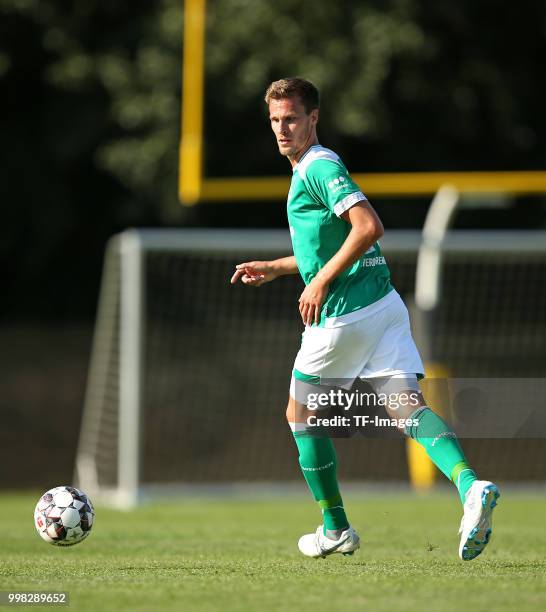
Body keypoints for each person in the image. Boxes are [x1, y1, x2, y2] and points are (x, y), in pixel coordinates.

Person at [230, 77, 499, 561]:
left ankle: (335, 528)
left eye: (291, 118)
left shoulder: (318, 165)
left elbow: (368, 226)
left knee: (301, 416)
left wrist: (319, 283)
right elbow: (335, 246)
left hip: (344, 316)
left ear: (313, 118)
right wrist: (280, 268)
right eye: (274, 120)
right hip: (382, 305)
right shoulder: (311, 169)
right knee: (406, 409)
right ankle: (471, 486)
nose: (281, 128)